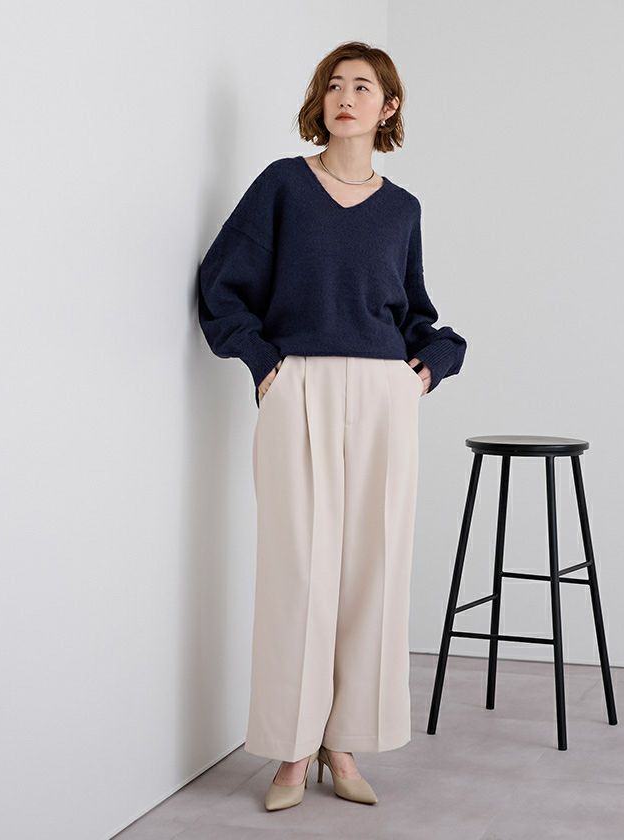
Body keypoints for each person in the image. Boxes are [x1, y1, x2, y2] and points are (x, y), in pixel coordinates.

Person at [197, 41, 467, 811]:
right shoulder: (283, 185)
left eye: (363, 87)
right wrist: (264, 364)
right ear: (321, 103)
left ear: (388, 108)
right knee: (299, 571)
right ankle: (292, 750)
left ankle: (341, 743)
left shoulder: (403, 209)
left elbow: (415, 313)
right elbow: (220, 285)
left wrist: (426, 368)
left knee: (373, 569)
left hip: (383, 393)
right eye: (334, 85)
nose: (346, 97)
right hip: (301, 385)